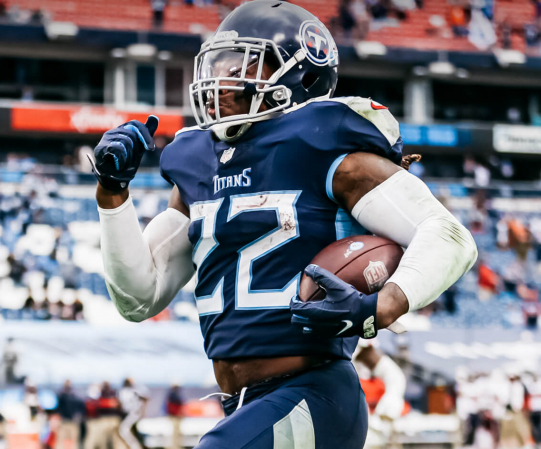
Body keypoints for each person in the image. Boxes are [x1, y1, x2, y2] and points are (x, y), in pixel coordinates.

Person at [89, 1, 477, 448]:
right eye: (219, 63)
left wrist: (381, 306)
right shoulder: (197, 165)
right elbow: (138, 296)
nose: (222, 78)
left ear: (301, 76)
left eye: (241, 64)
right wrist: (112, 192)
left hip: (312, 393)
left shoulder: (328, 149)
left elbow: (449, 236)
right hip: (244, 404)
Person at [118, 379, 149, 449]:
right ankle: (137, 445)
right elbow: (145, 398)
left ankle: (135, 446)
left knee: (123, 430)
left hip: (131, 414)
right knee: (133, 431)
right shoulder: (134, 391)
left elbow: (120, 405)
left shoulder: (122, 392)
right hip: (135, 414)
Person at [56, 380, 83, 449]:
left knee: (74, 443)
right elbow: (58, 410)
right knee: (60, 442)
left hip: (73, 423)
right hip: (63, 423)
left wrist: (77, 417)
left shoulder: (75, 397)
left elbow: (80, 410)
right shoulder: (61, 397)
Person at [165, 383, 184, 449]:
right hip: (175, 417)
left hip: (175, 416)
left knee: (176, 433)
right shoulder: (173, 395)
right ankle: (175, 447)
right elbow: (173, 406)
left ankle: (176, 446)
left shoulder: (172, 395)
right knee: (175, 433)